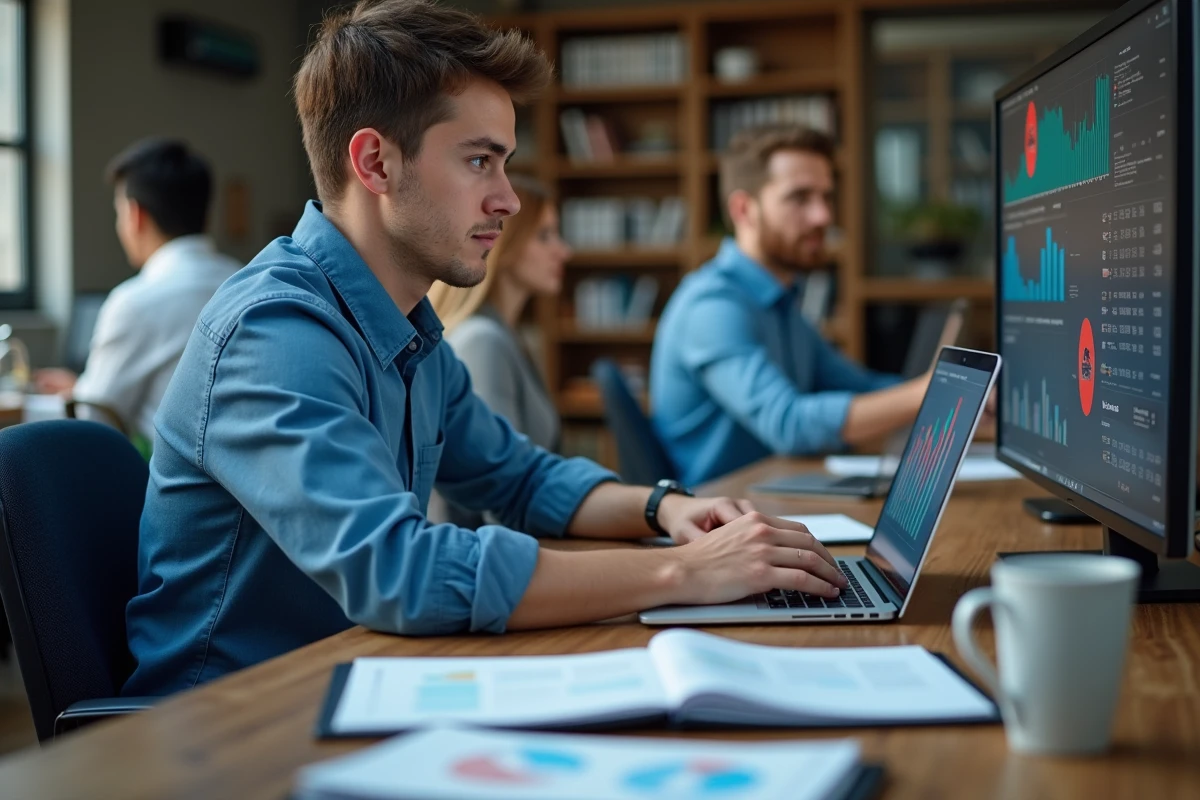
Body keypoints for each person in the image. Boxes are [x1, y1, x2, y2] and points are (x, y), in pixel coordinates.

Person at [123, 0, 847, 698]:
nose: (510, 198)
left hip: (358, 677)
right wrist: (685, 574)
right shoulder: (275, 334)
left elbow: (521, 479)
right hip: (235, 723)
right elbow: (400, 572)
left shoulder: (407, 331)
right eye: (480, 162)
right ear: (375, 163)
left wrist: (667, 512)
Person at [650, 125, 931, 486]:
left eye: (826, 197)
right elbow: (788, 424)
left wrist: (942, 394)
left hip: (776, 494)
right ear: (743, 209)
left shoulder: (781, 298)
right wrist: (925, 395)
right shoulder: (711, 305)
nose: (823, 217)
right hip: (719, 518)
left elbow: (858, 385)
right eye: (799, 198)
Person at [33, 139, 240, 448]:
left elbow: (94, 419)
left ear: (135, 215)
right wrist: (81, 388)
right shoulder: (247, 280)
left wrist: (81, 395)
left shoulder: (135, 302)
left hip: (170, 485)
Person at [426, 175, 565, 527]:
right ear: (502, 243)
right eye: (544, 236)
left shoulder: (509, 336)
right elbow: (500, 497)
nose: (563, 250)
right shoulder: (482, 341)